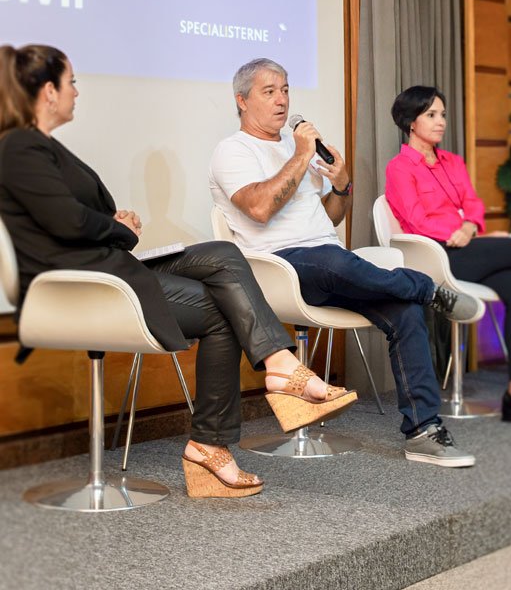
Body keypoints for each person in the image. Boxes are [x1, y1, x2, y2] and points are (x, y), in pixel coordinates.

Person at [0, 44, 357, 500]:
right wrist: (115, 227)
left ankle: (274, 376)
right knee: (223, 308)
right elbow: (67, 223)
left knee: (224, 255)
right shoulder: (19, 146)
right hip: (80, 285)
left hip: (110, 266)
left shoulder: (42, 147)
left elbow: (73, 214)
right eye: (70, 82)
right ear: (48, 91)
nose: (76, 91)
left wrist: (112, 224)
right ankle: (223, 432)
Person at [209, 57, 482, 468]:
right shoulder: (233, 151)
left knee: (402, 310)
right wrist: (301, 155)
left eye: (285, 89)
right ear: (242, 101)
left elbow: (331, 216)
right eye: (269, 92)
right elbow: (261, 208)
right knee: (338, 263)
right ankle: (428, 288)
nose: (282, 99)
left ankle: (424, 431)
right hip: (278, 268)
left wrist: (342, 183)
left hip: (329, 259)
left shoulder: (293, 148)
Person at [386, 85, 511, 429]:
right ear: (410, 121)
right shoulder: (399, 168)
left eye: (443, 114)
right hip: (437, 256)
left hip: (466, 247)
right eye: (431, 115)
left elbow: (474, 203)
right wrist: (463, 230)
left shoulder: (453, 162)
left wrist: (470, 226)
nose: (440, 122)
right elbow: (415, 220)